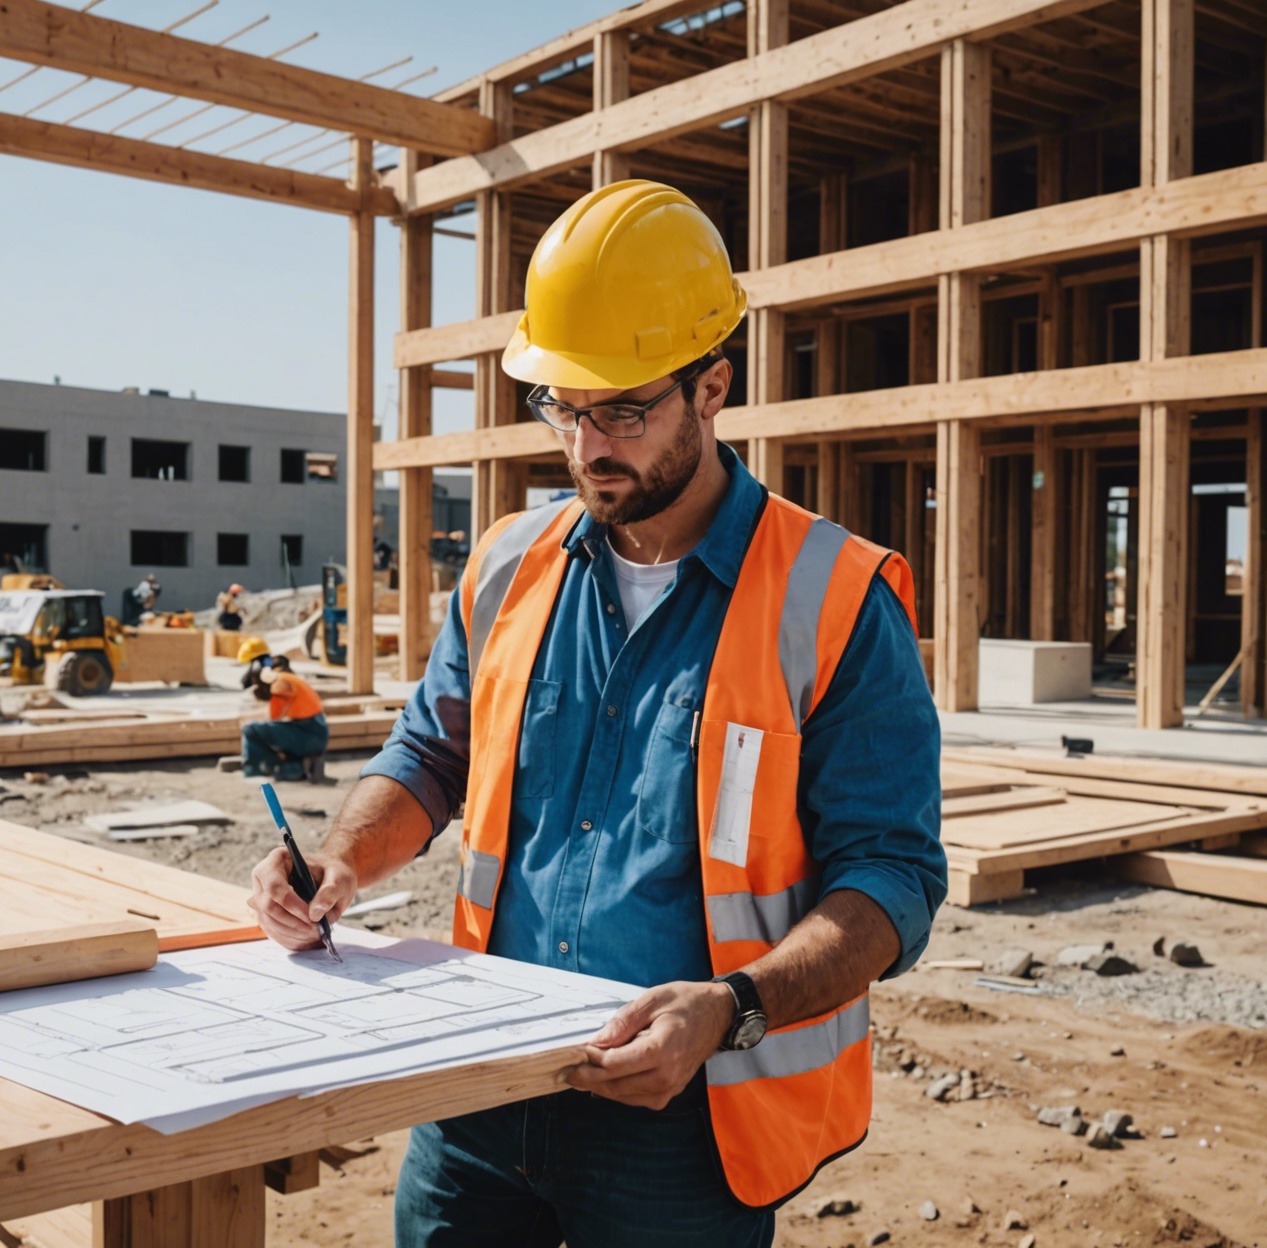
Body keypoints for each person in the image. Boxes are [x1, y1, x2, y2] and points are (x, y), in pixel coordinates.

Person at [246, 180, 945, 1247]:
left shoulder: (834, 599)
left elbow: (892, 877)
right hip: (479, 1087)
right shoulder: (505, 568)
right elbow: (433, 753)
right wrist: (341, 859)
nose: (585, 445)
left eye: (623, 408)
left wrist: (730, 1009)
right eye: (561, 406)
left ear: (712, 388)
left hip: (685, 1123)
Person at [240, 654, 329, 780]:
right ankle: (291, 767)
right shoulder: (293, 679)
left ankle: (256, 769)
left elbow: (274, 716)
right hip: (316, 732)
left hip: (308, 734)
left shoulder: (280, 682)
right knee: (270, 732)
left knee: (250, 729)